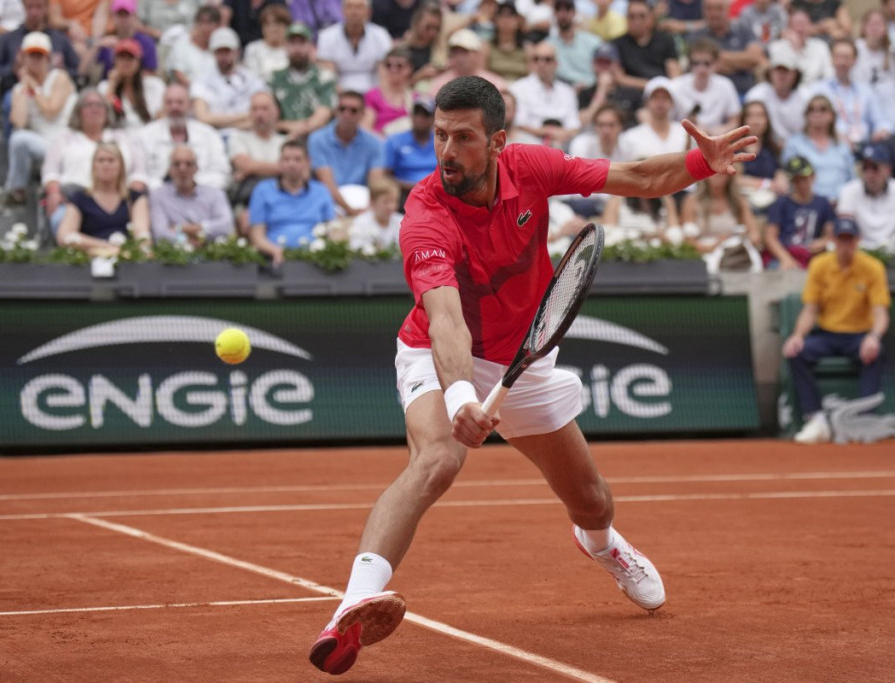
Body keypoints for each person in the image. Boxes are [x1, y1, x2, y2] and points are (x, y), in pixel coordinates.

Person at [307, 74, 757, 676]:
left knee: (592, 501)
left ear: (497, 142)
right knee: (437, 460)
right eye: (440, 135)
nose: (446, 151)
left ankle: (601, 545)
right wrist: (461, 397)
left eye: (463, 137)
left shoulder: (532, 167)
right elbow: (445, 319)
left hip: (524, 357)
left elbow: (638, 177)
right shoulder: (425, 212)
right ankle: (352, 606)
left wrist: (701, 163)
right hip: (438, 352)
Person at [783, 216, 890, 444]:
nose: (845, 245)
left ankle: (863, 420)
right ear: (833, 240)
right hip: (827, 334)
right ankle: (816, 420)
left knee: (875, 352)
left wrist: (873, 337)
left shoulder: (872, 267)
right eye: (841, 239)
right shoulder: (820, 265)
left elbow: (880, 312)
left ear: (858, 240)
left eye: (849, 239)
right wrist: (798, 336)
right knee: (796, 353)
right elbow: (810, 309)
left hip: (859, 336)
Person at [0, 32, 77, 211]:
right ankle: (16, 191)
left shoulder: (59, 78)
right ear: (23, 57)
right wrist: (24, 86)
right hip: (43, 143)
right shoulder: (19, 89)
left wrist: (34, 88)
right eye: (31, 55)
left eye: (40, 55)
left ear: (48, 58)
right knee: (18, 139)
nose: (36, 60)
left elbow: (51, 111)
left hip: (68, 141)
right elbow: (19, 122)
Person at [41, 88, 147, 231]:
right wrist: (53, 192)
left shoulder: (124, 137)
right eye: (88, 105)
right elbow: (50, 171)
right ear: (78, 111)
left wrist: (133, 198)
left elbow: (139, 172)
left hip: (119, 198)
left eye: (99, 105)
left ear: (107, 111)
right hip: (74, 199)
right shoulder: (63, 137)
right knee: (60, 220)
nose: (94, 109)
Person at [247, 139, 335, 265]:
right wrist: (274, 250)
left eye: (297, 159)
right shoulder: (262, 190)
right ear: (279, 162)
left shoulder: (321, 191)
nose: (291, 164)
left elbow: (332, 229)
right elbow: (257, 235)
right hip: (274, 259)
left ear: (308, 162)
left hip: (315, 261)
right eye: (286, 159)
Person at [57, 142, 151, 255]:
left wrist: (141, 251)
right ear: (94, 166)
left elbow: (142, 234)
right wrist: (107, 247)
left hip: (127, 259)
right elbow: (65, 236)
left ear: (121, 166)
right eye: (101, 160)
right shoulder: (79, 199)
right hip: (89, 258)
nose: (105, 165)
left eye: (111, 160)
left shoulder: (134, 198)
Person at [136, 83, 231, 191]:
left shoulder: (209, 134)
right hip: (157, 196)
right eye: (169, 102)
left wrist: (192, 188)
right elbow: (140, 176)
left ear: (190, 106)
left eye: (180, 102)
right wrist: (167, 192)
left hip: (203, 195)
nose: (174, 107)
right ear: (163, 106)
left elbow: (221, 172)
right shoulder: (144, 135)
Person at [0, 0, 80, 97]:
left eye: (39, 7)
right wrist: (12, 69)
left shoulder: (59, 39)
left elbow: (77, 73)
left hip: (54, 95)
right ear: (23, 7)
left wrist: (59, 71)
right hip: (19, 93)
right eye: (30, 7)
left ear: (46, 8)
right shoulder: (9, 39)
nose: (34, 13)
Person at [307, 91, 387, 214]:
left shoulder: (374, 143)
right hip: (328, 202)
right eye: (342, 109)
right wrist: (350, 210)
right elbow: (327, 183)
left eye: (353, 110)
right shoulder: (317, 139)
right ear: (335, 111)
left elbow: (375, 183)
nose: (346, 114)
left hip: (363, 201)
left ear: (362, 114)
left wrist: (367, 210)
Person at [810, 38, 892, 147]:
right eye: (838, 57)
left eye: (846, 57)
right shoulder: (819, 90)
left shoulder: (866, 91)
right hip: (832, 146)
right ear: (831, 59)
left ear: (855, 60)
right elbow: (812, 123)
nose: (842, 62)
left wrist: (882, 131)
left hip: (865, 146)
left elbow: (881, 121)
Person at [149, 145, 235, 245]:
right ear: (169, 169)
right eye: (177, 164)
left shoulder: (215, 194)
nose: (182, 169)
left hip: (213, 250)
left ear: (196, 168)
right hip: (175, 252)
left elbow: (227, 225)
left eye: (188, 164)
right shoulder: (158, 196)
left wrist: (184, 228)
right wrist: (186, 242)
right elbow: (160, 234)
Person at [227, 90, 286, 233]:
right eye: (255, 109)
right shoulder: (238, 138)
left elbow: (296, 170)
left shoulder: (285, 141)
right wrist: (279, 168)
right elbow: (244, 164)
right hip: (248, 199)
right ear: (249, 113)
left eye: (265, 109)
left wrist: (253, 169)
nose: (260, 114)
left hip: (282, 196)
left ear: (276, 112)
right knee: (247, 221)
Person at [763, 155, 834, 269]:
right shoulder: (781, 203)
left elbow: (831, 234)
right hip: (784, 253)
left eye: (804, 178)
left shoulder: (823, 203)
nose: (801, 184)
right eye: (796, 180)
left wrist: (823, 242)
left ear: (813, 176)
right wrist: (785, 258)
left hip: (810, 255)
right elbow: (770, 237)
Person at [780, 94, 855, 202]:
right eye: (812, 110)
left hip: (840, 203)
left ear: (832, 116)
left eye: (823, 110)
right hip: (806, 203)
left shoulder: (842, 146)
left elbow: (852, 180)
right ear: (806, 116)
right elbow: (787, 177)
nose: (817, 114)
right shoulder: (794, 144)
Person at [191, 27, 267, 133]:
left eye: (227, 51)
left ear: (237, 52)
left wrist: (217, 121)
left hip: (246, 134)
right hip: (213, 136)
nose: (223, 57)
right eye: (219, 52)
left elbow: (261, 115)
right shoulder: (202, 79)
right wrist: (245, 116)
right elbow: (203, 118)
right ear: (213, 53)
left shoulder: (251, 78)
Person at [268, 22, 336, 139]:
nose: (297, 49)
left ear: (311, 46)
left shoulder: (325, 77)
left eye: (302, 43)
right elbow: (267, 115)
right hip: (281, 136)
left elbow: (325, 112)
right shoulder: (274, 78)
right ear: (285, 46)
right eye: (292, 43)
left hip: (316, 136)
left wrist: (300, 131)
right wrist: (288, 127)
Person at [509, 41, 580, 149]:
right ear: (531, 62)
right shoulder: (518, 88)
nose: (541, 64)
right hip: (530, 139)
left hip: (562, 140)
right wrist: (548, 132)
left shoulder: (567, 91)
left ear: (556, 63)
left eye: (547, 59)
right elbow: (519, 124)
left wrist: (560, 134)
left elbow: (574, 125)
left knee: (580, 143)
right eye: (536, 59)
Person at [686, 0, 764, 96]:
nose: (714, 13)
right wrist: (742, 62)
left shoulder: (743, 29)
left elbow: (755, 58)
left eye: (719, 8)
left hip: (744, 92)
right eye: (709, 9)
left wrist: (717, 59)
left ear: (728, 9)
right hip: (709, 95)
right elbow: (696, 66)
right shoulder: (696, 36)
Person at [316, 0, 393, 93]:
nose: (354, 12)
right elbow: (328, 75)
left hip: (373, 92)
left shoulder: (381, 35)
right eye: (349, 7)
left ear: (368, 12)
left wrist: (375, 96)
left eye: (359, 7)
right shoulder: (327, 36)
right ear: (342, 11)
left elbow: (384, 73)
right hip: (338, 92)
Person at [670, 38, 741, 135]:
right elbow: (665, 120)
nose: (701, 69)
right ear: (690, 63)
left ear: (717, 63)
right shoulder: (676, 85)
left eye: (707, 63)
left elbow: (734, 121)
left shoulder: (726, 85)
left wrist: (712, 133)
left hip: (715, 138)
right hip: (682, 138)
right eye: (696, 63)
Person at [745, 42, 809, 145]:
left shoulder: (806, 96)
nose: (781, 75)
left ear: (795, 74)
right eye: (777, 70)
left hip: (799, 147)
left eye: (786, 71)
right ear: (770, 72)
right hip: (766, 148)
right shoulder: (756, 95)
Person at [835, 143, 895, 252]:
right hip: (858, 253)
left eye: (875, 168)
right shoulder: (849, 190)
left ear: (887, 170)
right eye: (865, 168)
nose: (869, 174)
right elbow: (845, 229)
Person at [97, 38, 164, 131]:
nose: (126, 62)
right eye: (122, 58)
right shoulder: (104, 86)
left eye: (130, 58)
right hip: (118, 134)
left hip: (149, 133)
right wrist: (112, 86)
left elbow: (163, 114)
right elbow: (102, 117)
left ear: (139, 62)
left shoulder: (154, 85)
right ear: (114, 61)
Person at [383, 94, 437, 207]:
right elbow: (386, 176)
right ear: (411, 116)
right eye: (417, 113)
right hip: (404, 194)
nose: (420, 118)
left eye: (425, 114)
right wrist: (416, 187)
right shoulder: (395, 141)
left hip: (436, 194)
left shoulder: (441, 142)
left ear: (433, 118)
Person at [428, 27, 508, 97]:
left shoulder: (495, 84)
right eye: (455, 52)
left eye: (464, 52)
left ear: (477, 54)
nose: (459, 58)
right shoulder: (440, 84)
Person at [548, 0, 602, 90]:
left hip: (590, 88)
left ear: (574, 13)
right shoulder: (547, 46)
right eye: (558, 9)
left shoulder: (593, 42)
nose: (563, 14)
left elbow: (603, 70)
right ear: (554, 14)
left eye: (567, 9)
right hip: (561, 90)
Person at [363, 47, 416, 136]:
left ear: (409, 68)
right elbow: (366, 130)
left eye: (399, 66)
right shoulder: (372, 96)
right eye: (388, 65)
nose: (393, 69)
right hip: (380, 142)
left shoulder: (416, 98)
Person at [163, 5, 220, 89]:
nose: (206, 28)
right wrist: (197, 91)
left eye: (211, 23)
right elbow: (178, 73)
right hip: (187, 91)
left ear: (218, 26)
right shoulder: (182, 43)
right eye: (202, 22)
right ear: (196, 24)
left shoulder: (221, 48)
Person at [346, 176, 403, 251]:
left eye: (394, 201)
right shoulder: (360, 223)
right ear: (372, 202)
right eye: (385, 202)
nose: (391, 206)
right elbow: (355, 248)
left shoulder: (402, 222)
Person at [242, 3, 291, 82]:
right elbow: (252, 79)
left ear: (286, 27)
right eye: (268, 25)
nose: (273, 29)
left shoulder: (293, 50)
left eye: (277, 24)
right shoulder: (253, 49)